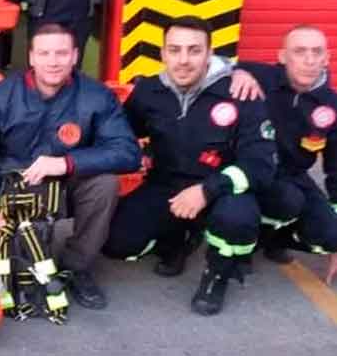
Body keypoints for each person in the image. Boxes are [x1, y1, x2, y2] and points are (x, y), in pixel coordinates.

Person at [0, 23, 141, 310]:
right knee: (1, 266)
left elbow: (128, 153)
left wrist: (67, 163)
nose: (53, 61)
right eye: (44, 53)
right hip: (10, 187)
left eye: (61, 53)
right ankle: (9, 267)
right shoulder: (1, 95)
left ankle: (76, 266)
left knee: (105, 184)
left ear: (75, 56)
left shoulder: (96, 96)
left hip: (65, 185)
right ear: (31, 57)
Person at [103, 16, 276, 316]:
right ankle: (180, 239)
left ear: (210, 54)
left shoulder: (240, 92)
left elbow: (261, 165)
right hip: (167, 184)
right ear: (163, 53)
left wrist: (208, 190)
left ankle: (217, 275)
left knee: (237, 219)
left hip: (224, 191)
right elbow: (123, 133)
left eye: (194, 50)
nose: (183, 60)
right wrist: (132, 153)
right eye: (175, 50)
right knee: (117, 244)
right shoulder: (148, 91)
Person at [235, 25, 337, 284]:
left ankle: (276, 238)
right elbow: (211, 63)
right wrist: (236, 73)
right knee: (287, 201)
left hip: (293, 174)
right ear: (282, 57)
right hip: (251, 169)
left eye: (317, 52)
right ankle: (246, 244)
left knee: (331, 235)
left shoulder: (331, 105)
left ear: (327, 58)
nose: (309, 60)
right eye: (300, 51)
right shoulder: (262, 75)